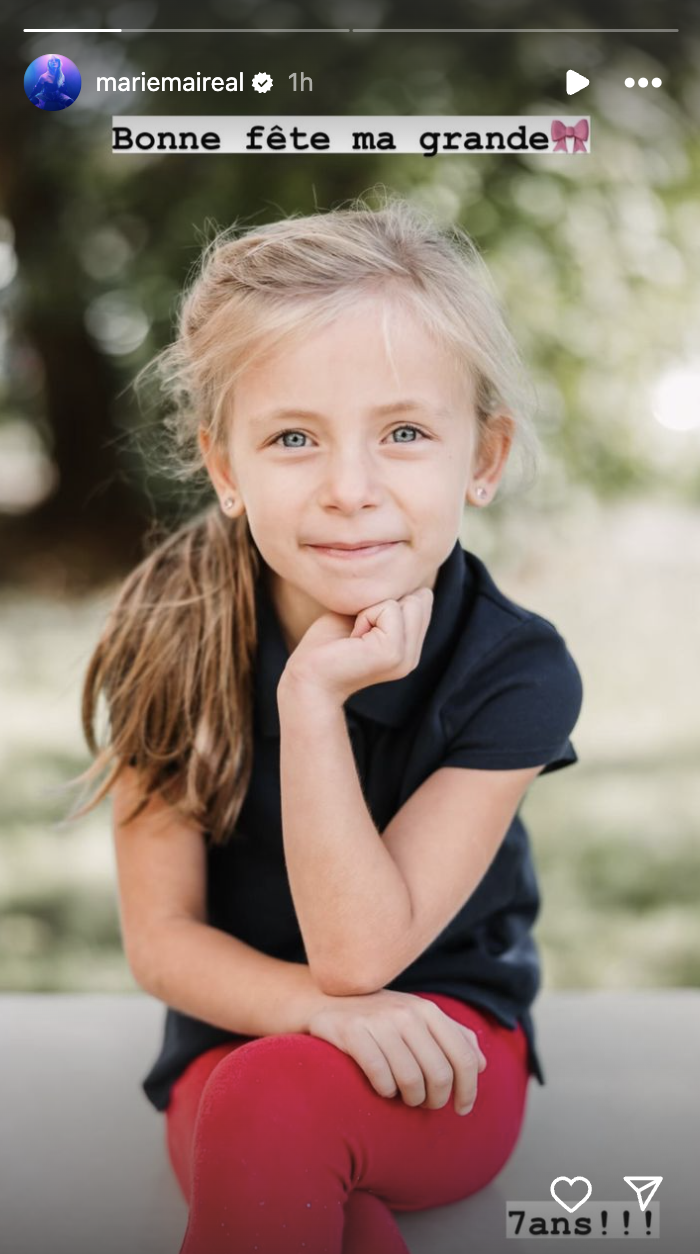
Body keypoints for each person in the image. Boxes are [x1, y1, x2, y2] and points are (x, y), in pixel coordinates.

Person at [67, 194, 583, 1254]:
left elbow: (363, 957)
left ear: (481, 457)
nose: (351, 490)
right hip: (241, 1040)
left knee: (283, 1109)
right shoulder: (169, 640)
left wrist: (309, 705)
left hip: (444, 1048)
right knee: (284, 1130)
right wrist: (312, 1015)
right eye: (294, 437)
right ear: (225, 469)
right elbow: (162, 941)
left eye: (402, 432)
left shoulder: (514, 669)